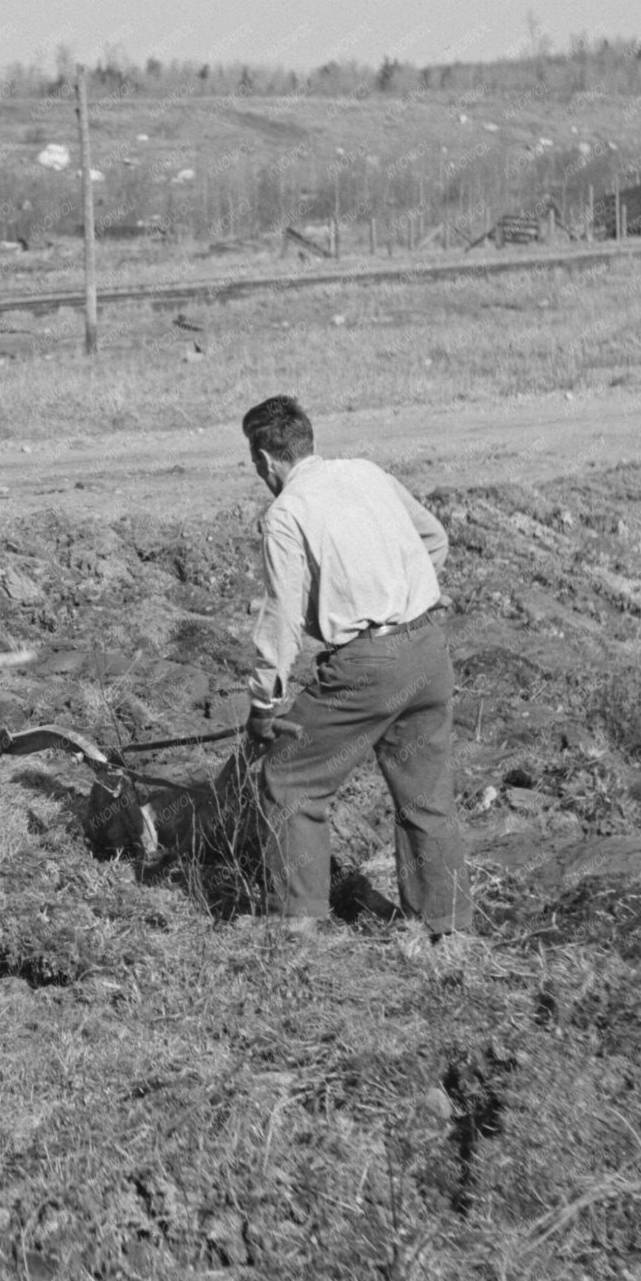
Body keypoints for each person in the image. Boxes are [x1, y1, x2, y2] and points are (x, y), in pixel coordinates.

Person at [239, 394, 470, 946]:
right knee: (426, 796)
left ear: (265, 461)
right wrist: (393, 591)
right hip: (428, 650)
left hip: (368, 667)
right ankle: (448, 931)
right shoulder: (367, 472)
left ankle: (294, 924)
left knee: (289, 777)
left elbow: (282, 618)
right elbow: (433, 538)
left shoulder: (286, 513)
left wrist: (264, 703)